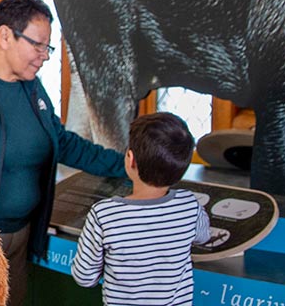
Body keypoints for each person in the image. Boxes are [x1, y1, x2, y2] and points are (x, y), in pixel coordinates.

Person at [0, 0, 131, 303]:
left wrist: (126, 165)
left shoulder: (32, 87)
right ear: (6, 36)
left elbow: (61, 142)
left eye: (46, 46)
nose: (45, 55)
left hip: (22, 236)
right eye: (37, 45)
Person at [72, 113, 208, 305]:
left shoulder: (104, 214)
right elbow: (203, 236)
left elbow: (84, 277)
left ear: (130, 159)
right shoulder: (189, 206)